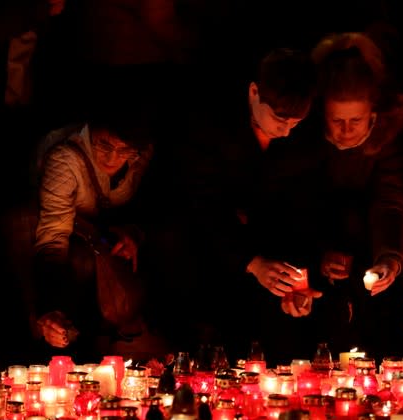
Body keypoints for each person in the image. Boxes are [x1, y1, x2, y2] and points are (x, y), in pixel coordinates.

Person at [148, 47, 318, 360]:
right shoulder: (209, 126)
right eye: (280, 118)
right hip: (203, 242)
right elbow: (201, 204)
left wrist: (295, 283)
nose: (286, 130)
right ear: (254, 92)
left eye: (296, 123)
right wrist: (253, 262)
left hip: (258, 242)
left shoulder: (296, 142)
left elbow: (295, 208)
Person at [278, 31, 403, 356]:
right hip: (309, 246)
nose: (346, 130)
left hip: (366, 244)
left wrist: (389, 258)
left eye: (356, 120)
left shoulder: (385, 144)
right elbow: (295, 205)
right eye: (337, 120)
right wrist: (319, 254)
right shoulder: (303, 142)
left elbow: (389, 202)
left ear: (374, 115)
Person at [32, 98, 164, 360]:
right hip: (73, 239)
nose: (113, 158)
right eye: (104, 145)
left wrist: (133, 233)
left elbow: (154, 206)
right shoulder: (66, 159)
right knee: (79, 261)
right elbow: (53, 236)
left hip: (106, 235)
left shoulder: (141, 154)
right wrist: (51, 309)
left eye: (125, 150)